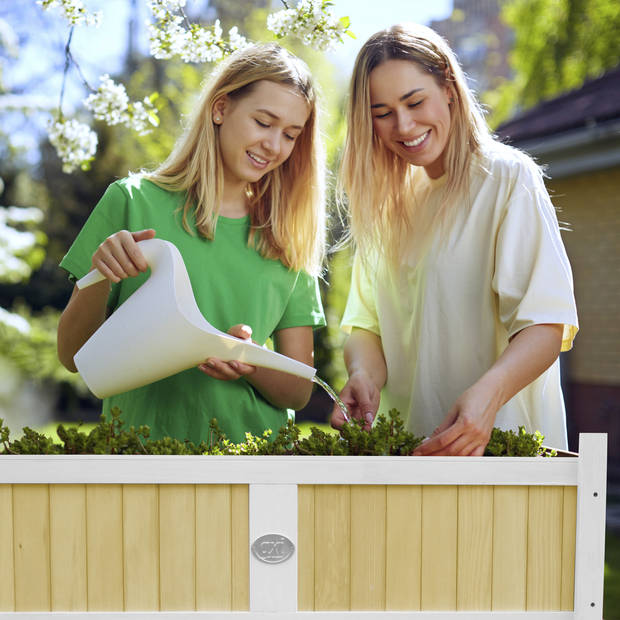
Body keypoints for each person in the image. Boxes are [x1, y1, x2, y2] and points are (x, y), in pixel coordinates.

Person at [57, 43, 326, 444]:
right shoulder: (131, 202)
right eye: (263, 122)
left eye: (290, 134)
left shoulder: (288, 234)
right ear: (220, 109)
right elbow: (73, 357)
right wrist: (97, 277)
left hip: (256, 467)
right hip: (141, 458)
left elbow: (299, 390)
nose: (274, 146)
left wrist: (250, 361)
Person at [330, 23, 578, 455]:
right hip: (411, 451)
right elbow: (366, 325)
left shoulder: (507, 179)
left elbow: (545, 325)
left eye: (414, 101)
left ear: (447, 85)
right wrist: (364, 375)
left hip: (502, 445)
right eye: (382, 112)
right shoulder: (387, 203)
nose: (403, 126)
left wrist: (487, 398)